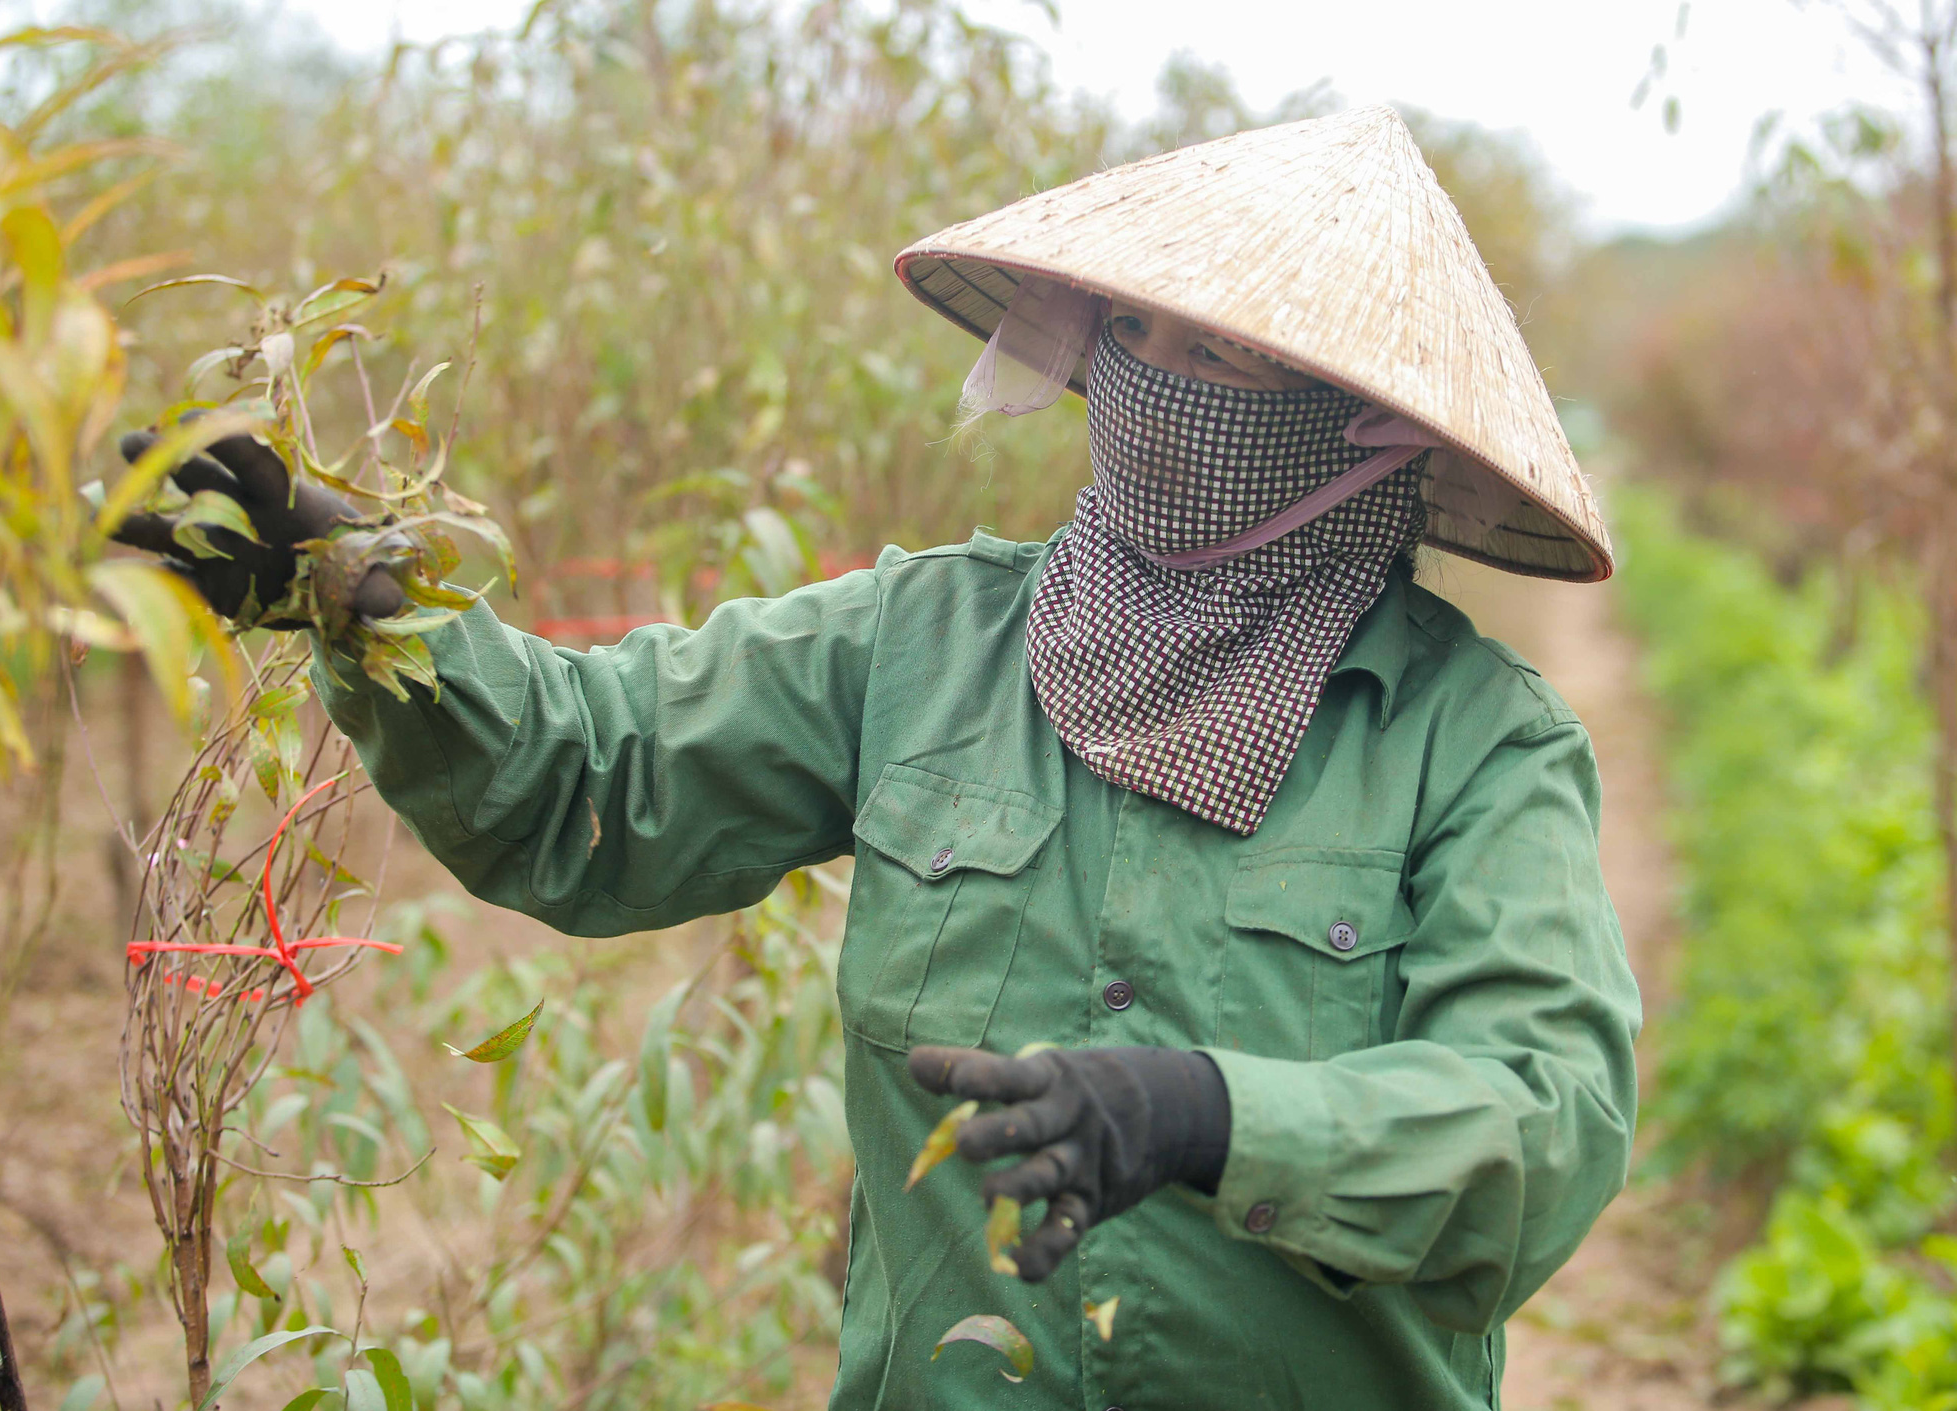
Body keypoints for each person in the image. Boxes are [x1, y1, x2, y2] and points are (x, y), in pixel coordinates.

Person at [111, 106, 1639, 1410]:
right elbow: (592, 783)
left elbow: (1543, 1118)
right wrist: (357, 591)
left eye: (1227, 355)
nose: (1164, 381)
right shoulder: (925, 643)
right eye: (1145, 333)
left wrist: (1214, 1115)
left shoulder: (1476, 745)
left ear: (1356, 425)